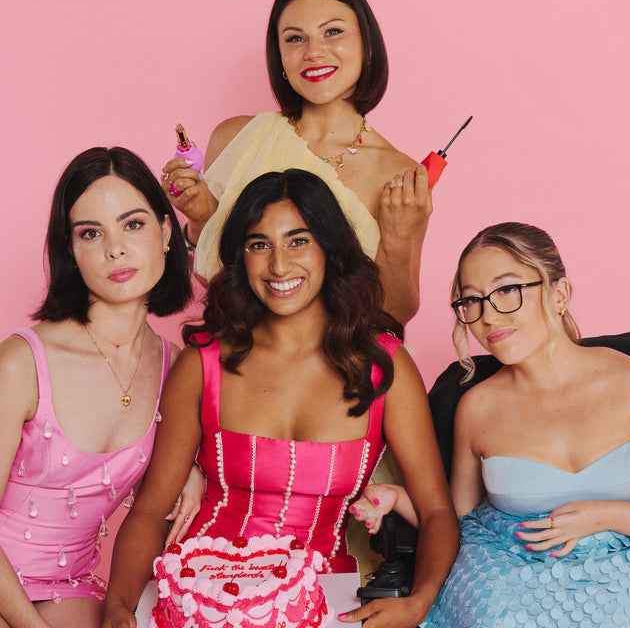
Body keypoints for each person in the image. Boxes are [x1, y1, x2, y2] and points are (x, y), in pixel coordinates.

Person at [102, 170, 458, 628]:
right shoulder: (203, 363)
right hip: (198, 596)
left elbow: (437, 512)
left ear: (330, 249)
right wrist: (118, 607)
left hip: (325, 599)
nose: (279, 266)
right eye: (259, 244)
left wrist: (419, 601)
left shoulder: (384, 366)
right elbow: (151, 510)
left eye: (298, 241)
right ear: (241, 257)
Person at [0, 147, 199, 628]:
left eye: (133, 224)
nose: (115, 249)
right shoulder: (20, 362)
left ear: (166, 233)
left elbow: (160, 488)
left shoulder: (175, 367)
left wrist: (191, 469)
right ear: (71, 252)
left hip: (68, 582)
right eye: (90, 233)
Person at [351, 222, 630, 626]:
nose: (489, 317)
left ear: (560, 294)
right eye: (472, 300)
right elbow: (459, 524)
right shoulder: (476, 407)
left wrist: (605, 516)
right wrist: (395, 497)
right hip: (508, 586)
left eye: (507, 290)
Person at [161, 0, 431, 325]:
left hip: (347, 359)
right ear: (279, 55)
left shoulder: (400, 174)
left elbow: (393, 316)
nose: (314, 52)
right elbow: (217, 283)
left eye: (332, 31)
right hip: (249, 352)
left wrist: (398, 239)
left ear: (366, 43)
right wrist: (198, 221)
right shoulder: (236, 138)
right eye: (295, 38)